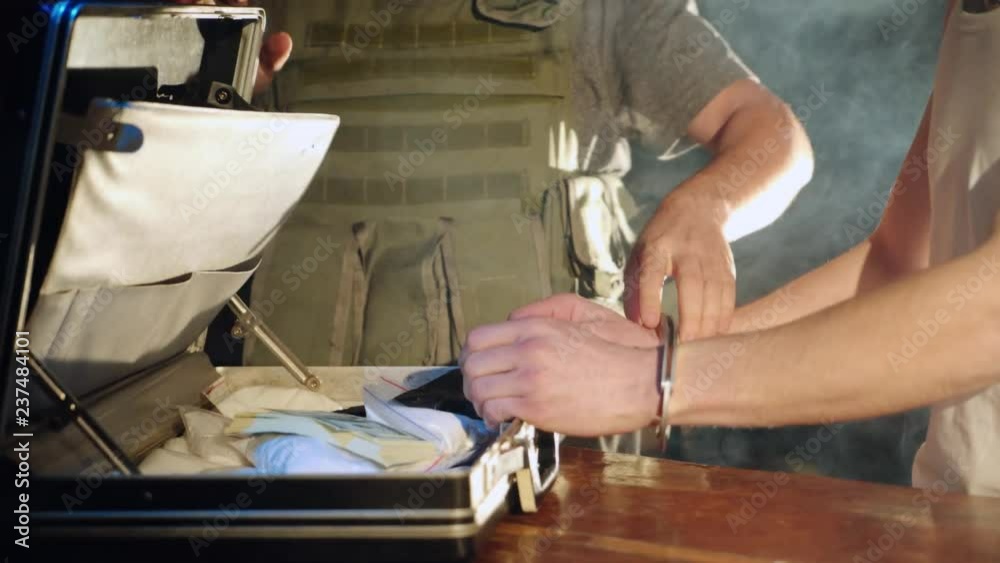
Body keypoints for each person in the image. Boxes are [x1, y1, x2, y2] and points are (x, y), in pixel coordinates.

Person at [461, 0, 1000, 496]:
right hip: (956, 515)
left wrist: (652, 384)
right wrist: (658, 356)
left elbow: (989, 312)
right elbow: (899, 266)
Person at [232, 0, 814, 376]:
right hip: (293, 431)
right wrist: (217, 82)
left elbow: (774, 136)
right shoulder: (264, 13)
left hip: (547, 443)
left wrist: (706, 207)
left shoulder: (600, 12)